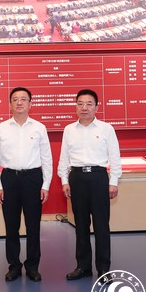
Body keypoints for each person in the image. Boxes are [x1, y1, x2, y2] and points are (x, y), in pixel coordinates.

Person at [57, 89, 121, 281]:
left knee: (101, 225)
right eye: (80, 104)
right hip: (77, 179)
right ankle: (83, 266)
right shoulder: (69, 130)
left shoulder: (106, 129)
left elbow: (115, 157)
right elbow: (64, 158)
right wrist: (64, 180)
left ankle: (103, 269)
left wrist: (114, 182)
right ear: (76, 106)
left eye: (89, 104)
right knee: (81, 225)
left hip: (99, 178)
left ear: (96, 107)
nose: (84, 108)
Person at [0, 87, 52, 283]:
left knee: (33, 226)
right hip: (9, 179)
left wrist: (46, 184)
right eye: (15, 99)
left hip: (33, 179)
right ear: (10, 104)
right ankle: (14, 266)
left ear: (30, 104)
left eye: (23, 99)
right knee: (11, 226)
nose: (19, 102)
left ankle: (32, 267)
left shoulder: (39, 128)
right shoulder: (1, 128)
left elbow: (47, 158)